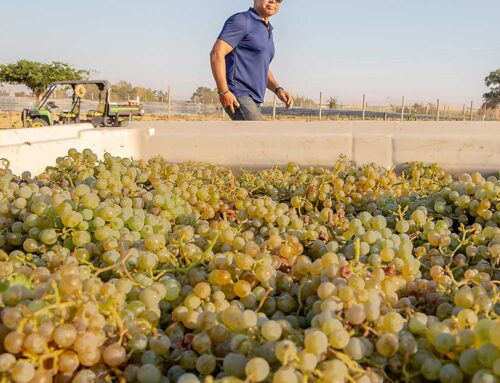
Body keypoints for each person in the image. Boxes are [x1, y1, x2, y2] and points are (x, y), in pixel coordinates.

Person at [210, 0, 293, 121]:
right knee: (260, 137)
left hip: (255, 99)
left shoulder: (267, 29)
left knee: (248, 138)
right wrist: (224, 92)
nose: (273, 1)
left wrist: (277, 89)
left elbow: (261, 67)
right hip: (238, 94)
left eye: (278, 0)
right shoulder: (242, 20)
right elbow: (216, 53)